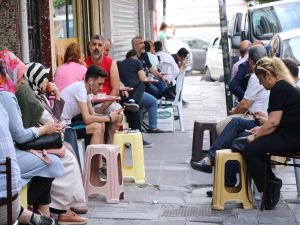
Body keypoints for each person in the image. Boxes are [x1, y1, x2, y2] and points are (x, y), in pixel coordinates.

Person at [20, 62, 88, 224]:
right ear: (34, 78)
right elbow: (54, 121)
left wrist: (57, 94)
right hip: (37, 142)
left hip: (44, 139)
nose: (46, 81)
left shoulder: (40, 96)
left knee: (69, 150)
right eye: (43, 78)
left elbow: (57, 119)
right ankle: (63, 209)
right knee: (67, 159)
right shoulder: (31, 99)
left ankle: (67, 206)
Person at [0, 49, 64, 217]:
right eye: (20, 76)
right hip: (9, 157)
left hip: (14, 152)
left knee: (51, 158)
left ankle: (42, 211)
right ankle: (26, 207)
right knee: (54, 163)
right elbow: (20, 135)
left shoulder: (12, 93)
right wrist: (44, 130)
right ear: (8, 73)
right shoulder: (6, 96)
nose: (22, 82)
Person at [242, 56, 300, 210]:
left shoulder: (279, 88)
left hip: (291, 139)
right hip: (290, 135)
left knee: (250, 150)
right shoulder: (285, 85)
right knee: (256, 146)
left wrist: (255, 136)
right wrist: (260, 131)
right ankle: (272, 184)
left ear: (268, 75)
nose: (260, 83)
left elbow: (273, 122)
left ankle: (269, 189)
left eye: (260, 79)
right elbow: (275, 121)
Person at [0, 103, 56, 225]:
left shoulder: (6, 97)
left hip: (6, 203)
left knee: (51, 163)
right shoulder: (3, 103)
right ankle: (30, 213)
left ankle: (30, 211)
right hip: (11, 202)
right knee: (51, 163)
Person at [60, 65, 120, 145]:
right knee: (96, 127)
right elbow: (87, 119)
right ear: (91, 81)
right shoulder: (80, 89)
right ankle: (93, 157)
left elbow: (93, 114)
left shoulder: (85, 91)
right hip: (62, 128)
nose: (101, 88)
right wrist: (109, 118)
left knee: (101, 124)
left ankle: (100, 156)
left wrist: (110, 115)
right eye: (99, 84)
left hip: (66, 124)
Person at [216, 45, 269, 135]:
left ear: (251, 61)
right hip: (262, 116)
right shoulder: (269, 72)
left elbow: (245, 105)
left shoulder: (255, 76)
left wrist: (233, 112)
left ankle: (226, 148)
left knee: (220, 126)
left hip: (255, 117)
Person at [85, 34, 124, 143]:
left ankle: (110, 147)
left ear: (103, 48)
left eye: (99, 45)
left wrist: (102, 108)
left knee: (118, 115)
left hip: (107, 103)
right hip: (89, 104)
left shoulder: (111, 63)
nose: (96, 48)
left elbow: (115, 89)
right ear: (89, 47)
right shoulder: (83, 64)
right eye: (94, 44)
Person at [118, 49, 164, 133]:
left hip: (123, 93)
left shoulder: (120, 64)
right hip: (135, 92)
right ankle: (153, 127)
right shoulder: (137, 62)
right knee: (153, 102)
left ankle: (138, 128)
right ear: (135, 56)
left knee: (140, 106)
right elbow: (143, 79)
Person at [132, 36, 171, 100]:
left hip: (149, 80)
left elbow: (151, 68)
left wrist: (161, 77)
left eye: (143, 43)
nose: (143, 45)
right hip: (141, 84)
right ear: (135, 46)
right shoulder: (132, 57)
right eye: (141, 43)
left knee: (164, 86)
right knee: (158, 92)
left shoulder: (144, 54)